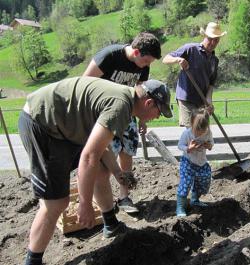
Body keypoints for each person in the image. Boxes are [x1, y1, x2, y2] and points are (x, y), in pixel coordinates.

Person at [19, 77, 172, 265]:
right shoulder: (120, 106)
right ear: (149, 103)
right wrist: (85, 204)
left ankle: (110, 223)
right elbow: (89, 156)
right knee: (56, 203)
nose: (158, 117)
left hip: (64, 127)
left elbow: (101, 148)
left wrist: (117, 173)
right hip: (42, 123)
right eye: (159, 111)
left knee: (101, 169)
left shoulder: (125, 102)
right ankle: (32, 261)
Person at [83, 32, 161, 213]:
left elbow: (142, 95)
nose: (147, 66)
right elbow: (84, 82)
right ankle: (103, 202)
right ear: (136, 52)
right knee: (105, 158)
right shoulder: (109, 56)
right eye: (146, 61)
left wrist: (142, 119)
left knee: (128, 150)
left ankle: (124, 197)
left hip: (127, 112)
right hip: (103, 113)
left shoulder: (143, 67)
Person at [162, 22, 226, 127]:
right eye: (210, 39)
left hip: (202, 102)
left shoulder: (215, 60)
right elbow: (166, 59)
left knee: (203, 132)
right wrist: (178, 59)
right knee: (191, 131)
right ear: (205, 36)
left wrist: (209, 101)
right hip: (187, 99)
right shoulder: (190, 49)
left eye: (216, 40)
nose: (213, 43)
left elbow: (211, 84)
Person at [176, 108, 214, 217]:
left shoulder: (208, 133)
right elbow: (180, 146)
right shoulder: (187, 134)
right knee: (185, 183)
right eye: (197, 130)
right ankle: (180, 207)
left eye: (203, 130)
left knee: (204, 179)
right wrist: (188, 148)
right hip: (188, 162)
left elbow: (211, 143)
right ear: (192, 124)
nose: (200, 133)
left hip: (202, 163)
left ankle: (195, 199)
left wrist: (209, 146)